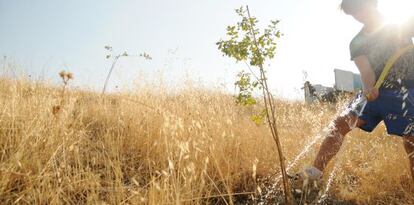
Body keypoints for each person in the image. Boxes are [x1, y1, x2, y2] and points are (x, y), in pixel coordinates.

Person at [300, 0, 414, 184]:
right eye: (354, 14)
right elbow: (366, 72)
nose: (360, 16)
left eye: (361, 9)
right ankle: (314, 175)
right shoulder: (357, 42)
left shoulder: (402, 24)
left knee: (411, 141)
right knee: (340, 123)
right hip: (375, 91)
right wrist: (369, 87)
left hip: (406, 91)